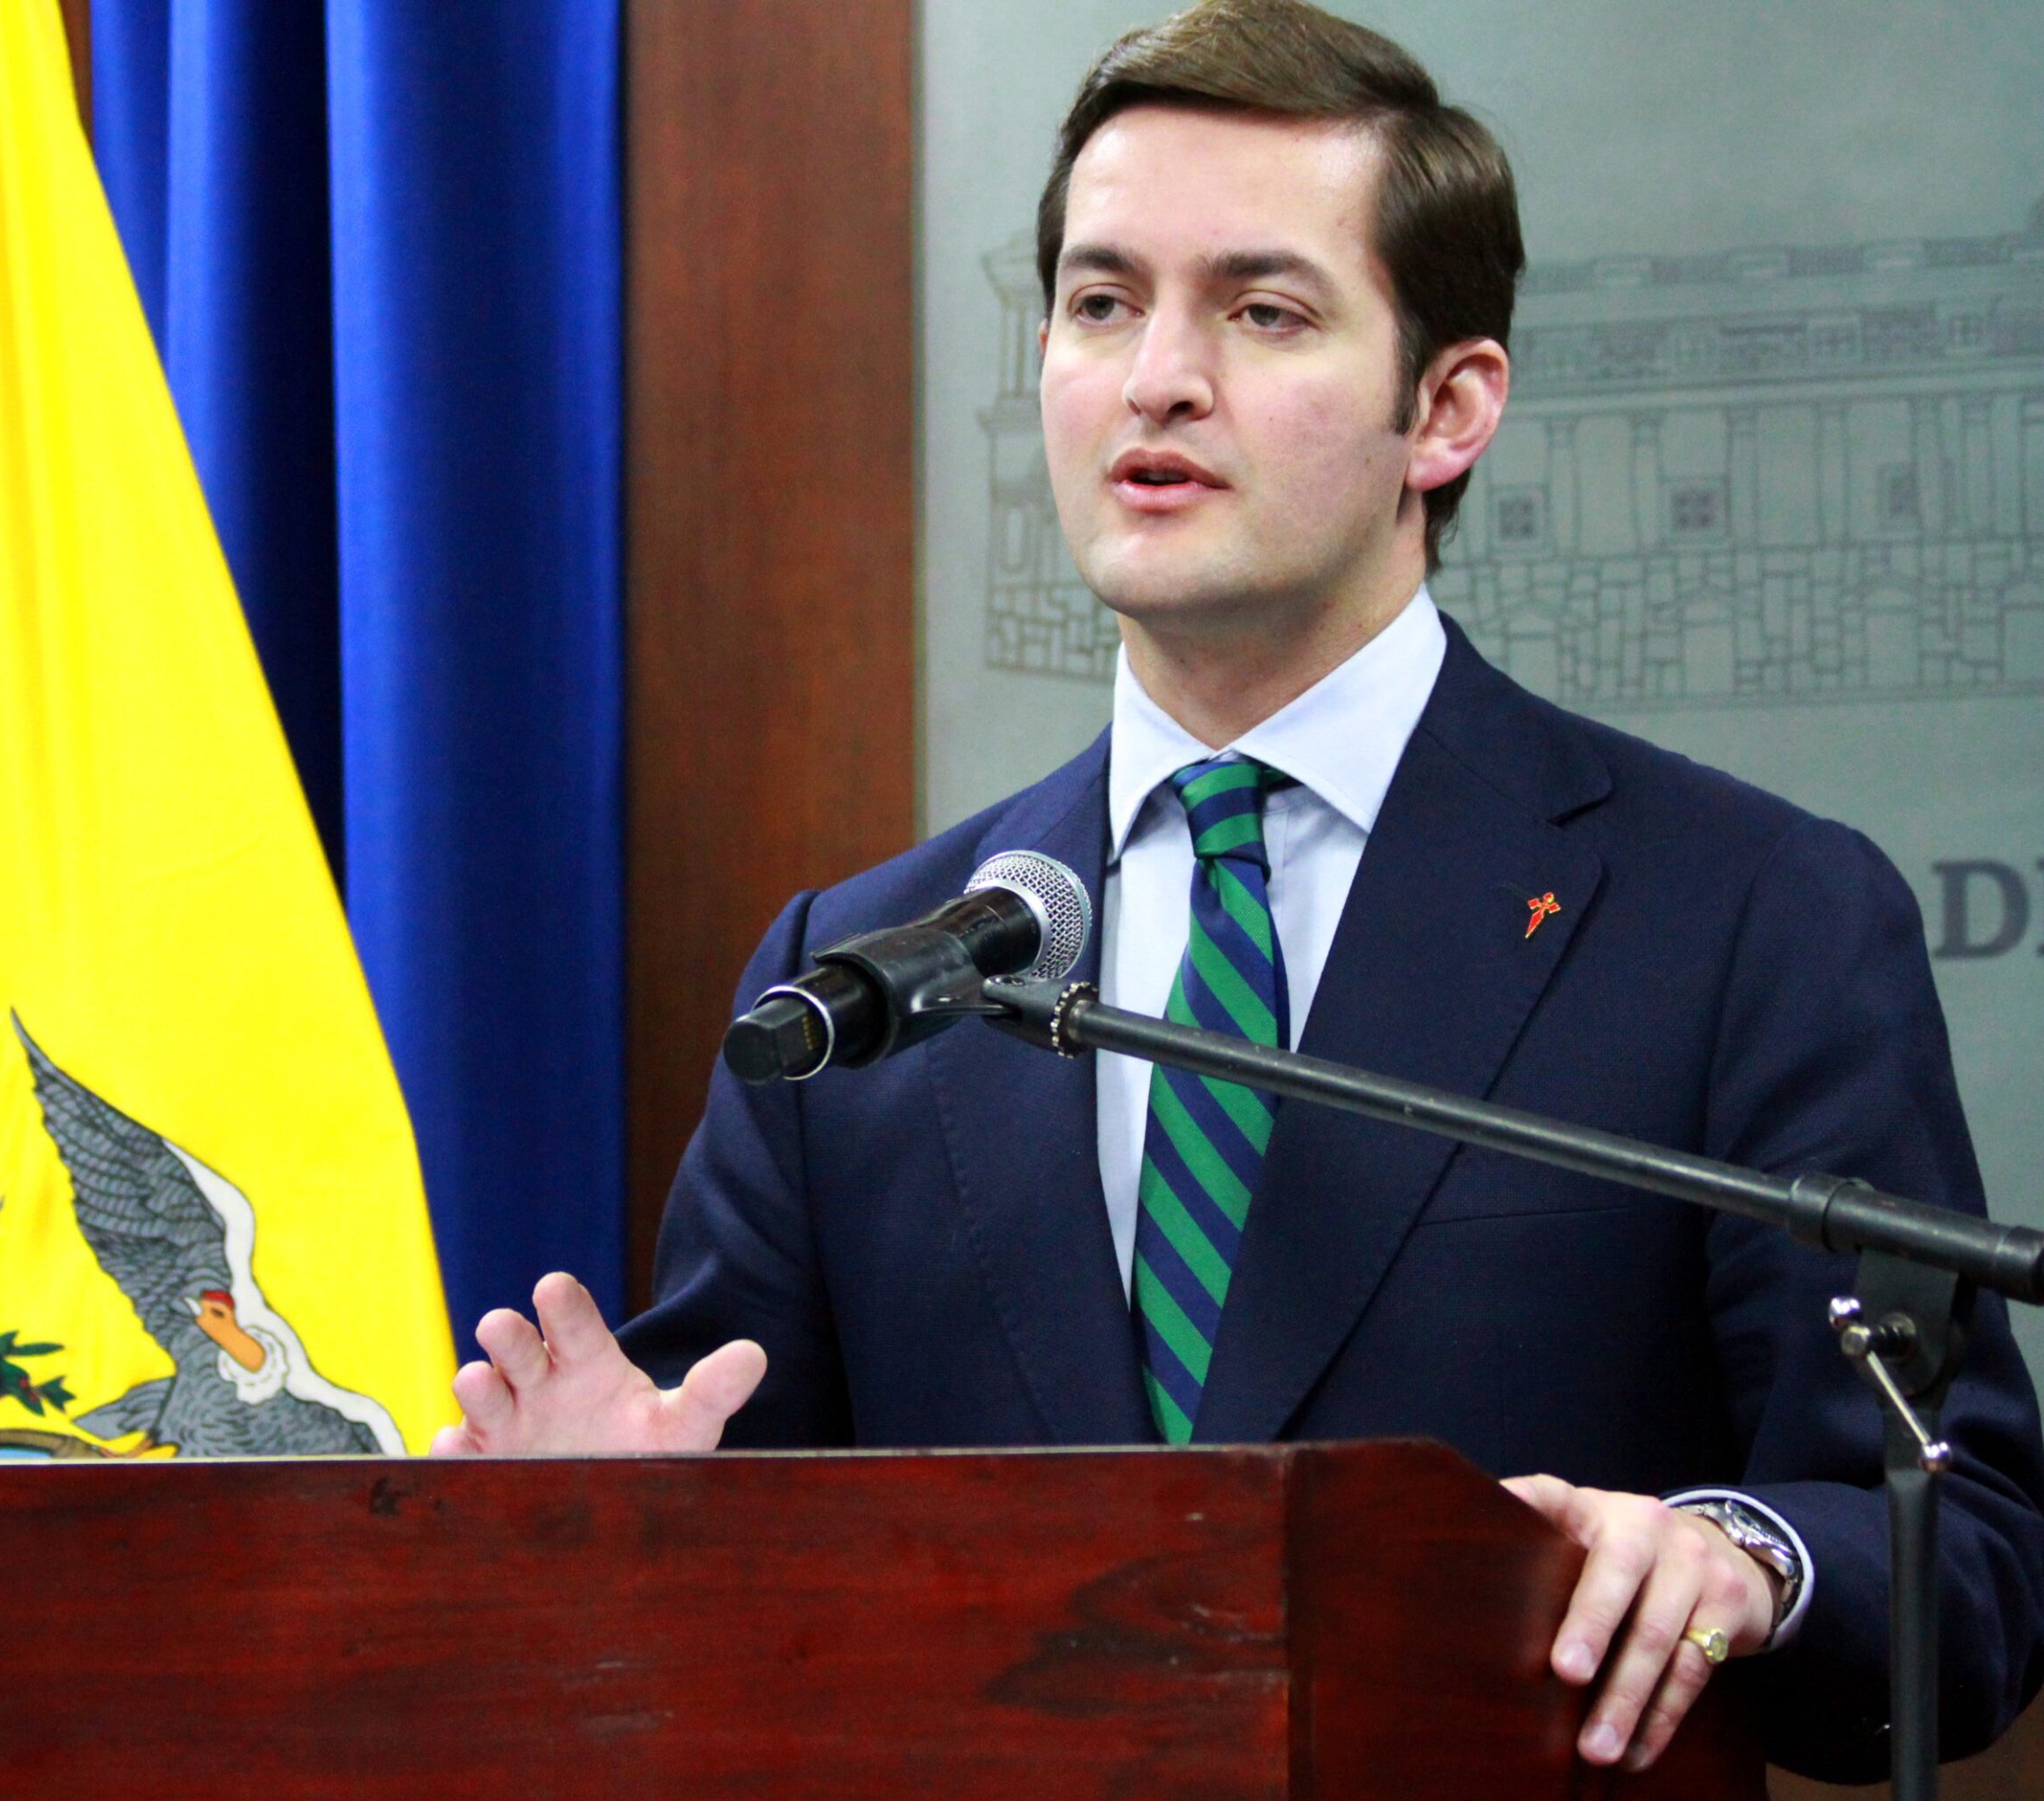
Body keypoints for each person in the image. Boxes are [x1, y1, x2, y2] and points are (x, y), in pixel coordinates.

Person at [436, 0, 2044, 1781]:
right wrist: (617, 1530)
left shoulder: (1745, 916)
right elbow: (746, 1553)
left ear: (1447, 408)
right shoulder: (864, 980)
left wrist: (1745, 1558)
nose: (1155, 379)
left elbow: (1966, 1562)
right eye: (1100, 302)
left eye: (1261, 311)